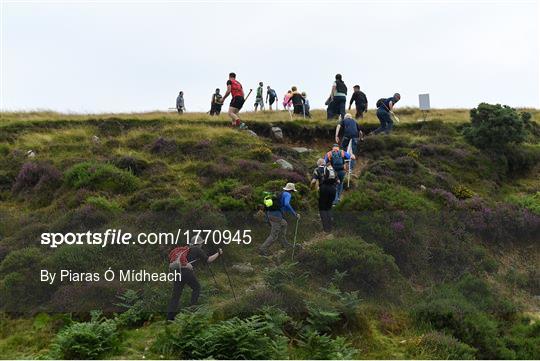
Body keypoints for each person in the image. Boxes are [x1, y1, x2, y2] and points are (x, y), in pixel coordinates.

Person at [166, 236, 223, 321]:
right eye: (202, 243)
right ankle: (192, 311)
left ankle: (169, 319)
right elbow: (208, 260)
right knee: (196, 288)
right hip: (186, 272)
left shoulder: (186, 249)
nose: (202, 244)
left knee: (175, 296)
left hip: (177, 272)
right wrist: (218, 253)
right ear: (199, 243)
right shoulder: (197, 249)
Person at [260, 182, 300, 256]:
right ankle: (263, 249)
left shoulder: (281, 194)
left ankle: (284, 243)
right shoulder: (288, 194)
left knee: (284, 224)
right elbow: (286, 204)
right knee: (274, 235)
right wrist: (295, 214)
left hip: (270, 214)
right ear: (291, 190)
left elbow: (283, 206)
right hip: (276, 216)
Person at [318, 164, 337, 233]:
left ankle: (325, 229)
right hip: (333, 189)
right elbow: (338, 181)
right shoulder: (333, 171)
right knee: (329, 208)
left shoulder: (324, 170)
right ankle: (330, 228)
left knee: (322, 208)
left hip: (324, 189)